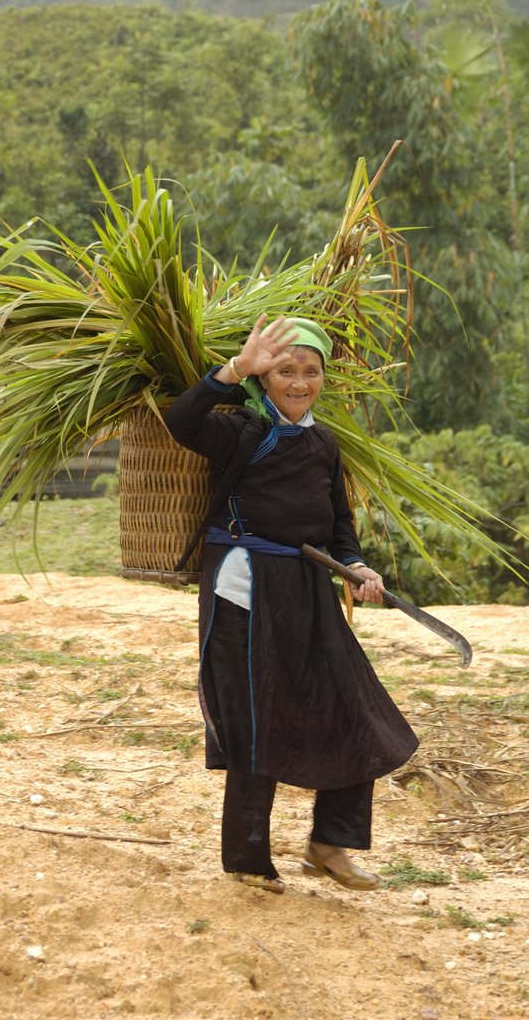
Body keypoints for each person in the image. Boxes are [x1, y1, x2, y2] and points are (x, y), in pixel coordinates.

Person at [164, 314, 418, 894]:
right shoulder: (241, 429)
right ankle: (248, 859)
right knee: (257, 716)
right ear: (264, 376)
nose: (300, 382)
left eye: (311, 371)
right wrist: (234, 369)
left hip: (307, 586)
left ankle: (331, 844)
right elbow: (181, 421)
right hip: (244, 587)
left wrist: (355, 566)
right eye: (284, 370)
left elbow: (340, 526)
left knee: (355, 705)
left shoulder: (325, 444)